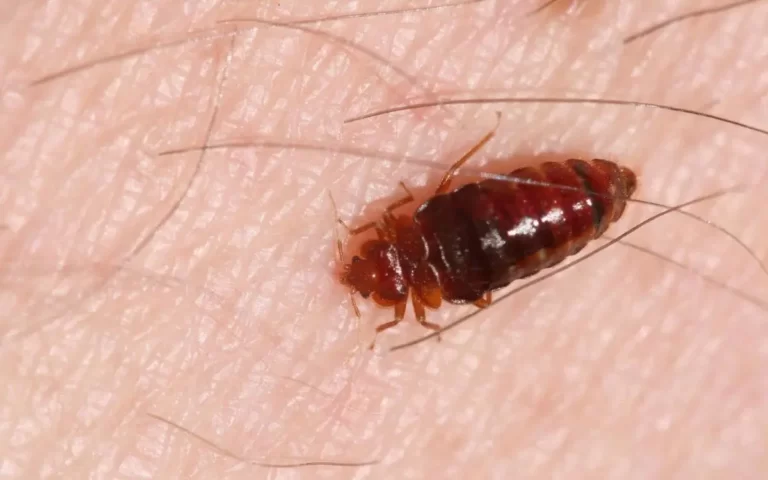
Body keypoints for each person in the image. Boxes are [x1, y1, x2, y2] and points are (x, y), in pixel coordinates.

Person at [3, 1, 767, 478]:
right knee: (472, 231)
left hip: (514, 227)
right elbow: (436, 207)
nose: (362, 267)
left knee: (476, 243)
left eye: (364, 261)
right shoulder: (414, 229)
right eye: (369, 265)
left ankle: (593, 197)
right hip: (509, 223)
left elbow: (441, 243)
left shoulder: (415, 248)